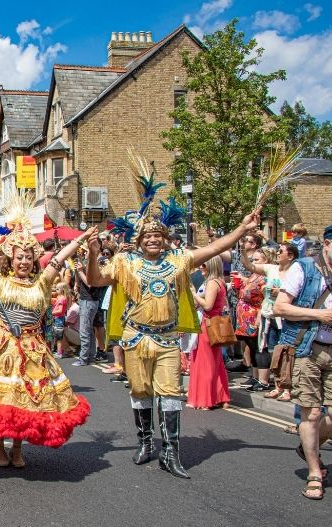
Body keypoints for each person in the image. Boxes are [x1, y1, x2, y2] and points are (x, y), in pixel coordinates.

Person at [86, 159, 261, 479]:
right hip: (136, 337)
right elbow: (96, 280)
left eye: (157, 235)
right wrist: (91, 250)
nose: (152, 239)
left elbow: (215, 247)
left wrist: (242, 229)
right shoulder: (125, 262)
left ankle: (171, 451)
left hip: (166, 340)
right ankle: (145, 443)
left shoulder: (179, 260)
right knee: (140, 394)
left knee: (170, 394)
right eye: (147, 236)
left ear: (165, 239)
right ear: (139, 240)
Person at [0, 198, 90, 468]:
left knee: (27, 402)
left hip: (33, 348)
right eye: (19, 257)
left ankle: (18, 448)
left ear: (34, 259)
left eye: (28, 256)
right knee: (1, 400)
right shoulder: (0, 280)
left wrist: (80, 239)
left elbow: (59, 258)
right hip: (1, 346)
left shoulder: (43, 281)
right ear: (12, 258)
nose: (23, 261)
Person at [273, 222, 332, 500]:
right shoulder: (304, 268)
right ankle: (314, 471)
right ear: (328, 244)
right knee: (312, 412)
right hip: (306, 348)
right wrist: (320, 316)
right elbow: (280, 308)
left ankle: (310, 445)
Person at [242, 242, 298, 401]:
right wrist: (242, 249)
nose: (278, 253)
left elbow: (298, 290)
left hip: (285, 318)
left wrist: (280, 291)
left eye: (281, 251)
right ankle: (278, 386)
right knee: (272, 353)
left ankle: (287, 388)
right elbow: (249, 266)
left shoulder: (295, 271)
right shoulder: (271, 268)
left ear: (291, 256)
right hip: (269, 315)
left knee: (287, 353)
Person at [187, 256, 230, 410]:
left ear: (211, 266)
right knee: (216, 362)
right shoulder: (219, 282)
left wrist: (193, 293)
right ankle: (220, 396)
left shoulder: (212, 283)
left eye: (203, 265)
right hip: (215, 323)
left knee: (204, 362)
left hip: (209, 323)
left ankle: (205, 399)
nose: (200, 268)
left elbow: (208, 305)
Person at [234, 249, 268, 391]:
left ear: (266, 261)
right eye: (252, 260)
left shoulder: (265, 277)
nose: (253, 263)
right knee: (252, 347)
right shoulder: (254, 275)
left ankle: (263, 380)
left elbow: (266, 299)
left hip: (255, 316)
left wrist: (260, 316)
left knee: (260, 348)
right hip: (245, 318)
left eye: (257, 260)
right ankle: (255, 377)